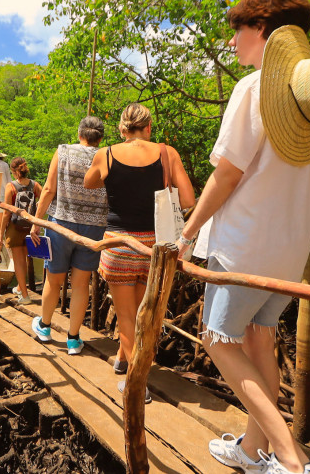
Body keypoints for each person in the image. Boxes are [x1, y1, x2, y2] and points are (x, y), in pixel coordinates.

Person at [177, 0, 310, 473]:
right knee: (260, 338)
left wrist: (189, 231)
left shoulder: (254, 88)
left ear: (260, 29)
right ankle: (253, 451)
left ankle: (290, 459)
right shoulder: (307, 102)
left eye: (237, 30)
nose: (232, 42)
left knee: (218, 340)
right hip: (289, 249)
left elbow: (227, 173)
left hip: (244, 246)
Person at [84, 103, 195, 401]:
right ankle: (124, 358)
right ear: (148, 127)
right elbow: (187, 198)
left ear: (122, 129)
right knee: (143, 313)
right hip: (155, 248)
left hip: (119, 244)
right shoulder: (166, 153)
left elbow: (89, 182)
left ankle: (137, 381)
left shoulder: (105, 153)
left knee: (126, 315)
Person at [29, 117, 108, 355]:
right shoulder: (106, 156)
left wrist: (36, 222)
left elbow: (49, 189)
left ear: (79, 133)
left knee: (54, 280)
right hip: (93, 229)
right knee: (82, 284)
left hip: (60, 225)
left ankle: (44, 327)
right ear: (100, 138)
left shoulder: (63, 152)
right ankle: (74, 339)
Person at [0, 157, 42, 304]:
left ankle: (25, 296)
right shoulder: (35, 185)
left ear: (13, 171)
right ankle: (19, 287)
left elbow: (6, 213)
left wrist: (0, 234)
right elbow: (44, 202)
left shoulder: (11, 187)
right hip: (30, 227)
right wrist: (38, 222)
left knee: (18, 261)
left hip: (15, 229)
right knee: (25, 258)